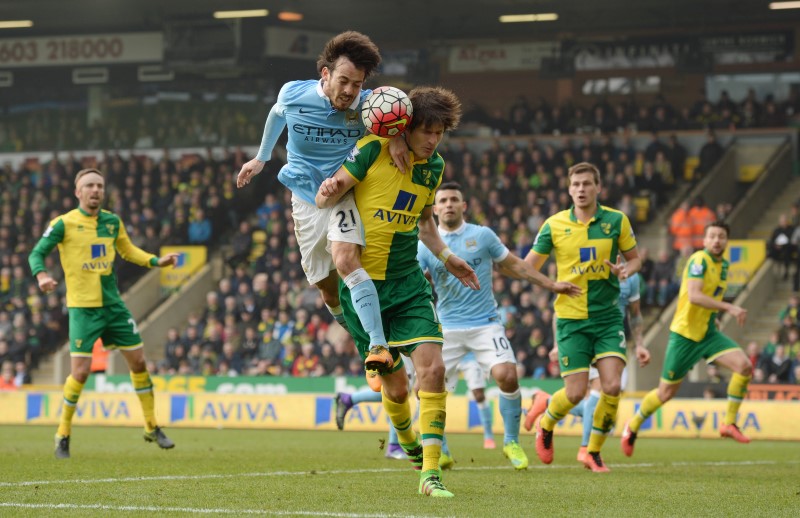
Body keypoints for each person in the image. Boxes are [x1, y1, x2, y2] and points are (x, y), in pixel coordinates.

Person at [316, 86, 478, 497]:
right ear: (404, 127)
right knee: (397, 389)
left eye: (439, 133)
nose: (432, 140)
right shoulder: (371, 150)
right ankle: (405, 440)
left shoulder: (434, 167)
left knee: (434, 371)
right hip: (363, 287)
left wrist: (445, 256)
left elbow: (425, 224)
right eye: (426, 131)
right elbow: (335, 184)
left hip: (408, 283)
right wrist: (325, 190)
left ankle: (429, 474)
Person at [236, 31, 409, 388]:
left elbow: (390, 123)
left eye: (357, 84)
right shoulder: (293, 94)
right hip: (304, 196)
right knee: (327, 290)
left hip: (344, 191)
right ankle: (367, 343)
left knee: (347, 260)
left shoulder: (367, 105)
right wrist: (262, 157)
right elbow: (276, 115)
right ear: (325, 74)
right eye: (344, 81)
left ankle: (378, 345)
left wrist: (395, 139)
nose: (349, 91)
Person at [417, 181, 581, 470]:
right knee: (427, 386)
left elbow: (516, 265)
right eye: (442, 201)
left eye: (454, 199)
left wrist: (551, 284)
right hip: (447, 326)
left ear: (464, 205)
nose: (448, 205)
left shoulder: (482, 236)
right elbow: (415, 281)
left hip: (485, 323)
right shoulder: (426, 244)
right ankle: (440, 449)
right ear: (434, 208)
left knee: (506, 374)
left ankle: (510, 442)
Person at [28, 168, 178, 459]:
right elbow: (36, 253)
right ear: (78, 192)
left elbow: (128, 251)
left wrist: (156, 261)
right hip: (83, 309)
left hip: (113, 306)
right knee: (80, 373)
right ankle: (63, 433)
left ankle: (151, 426)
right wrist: (41, 276)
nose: (95, 190)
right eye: (89, 185)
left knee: (139, 362)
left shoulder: (111, 222)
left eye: (99, 185)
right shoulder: (63, 224)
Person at [523, 161, 641, 473]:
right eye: (576, 184)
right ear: (569, 189)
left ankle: (593, 451)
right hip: (571, 320)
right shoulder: (554, 225)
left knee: (612, 386)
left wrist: (629, 269)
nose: (581, 189)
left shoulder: (616, 220)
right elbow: (527, 266)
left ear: (598, 187)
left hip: (606, 319)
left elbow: (636, 259)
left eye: (587, 184)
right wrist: (551, 284)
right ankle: (546, 423)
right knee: (575, 393)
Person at [621, 222, 753, 457]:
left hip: (708, 334)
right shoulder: (699, 261)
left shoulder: (723, 266)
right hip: (684, 336)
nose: (716, 241)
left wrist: (714, 317)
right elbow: (694, 295)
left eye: (721, 237)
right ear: (704, 240)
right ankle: (631, 427)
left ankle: (729, 423)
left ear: (726, 241)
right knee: (665, 393)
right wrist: (728, 308)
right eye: (712, 236)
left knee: (744, 366)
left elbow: (709, 296)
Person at [524, 268, 650, 463]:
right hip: (585, 335)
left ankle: (547, 402)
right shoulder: (586, 267)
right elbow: (561, 308)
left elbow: (635, 313)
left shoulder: (631, 277)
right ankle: (586, 449)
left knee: (603, 399)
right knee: (595, 392)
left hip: (612, 340)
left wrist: (640, 343)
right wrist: (558, 344)